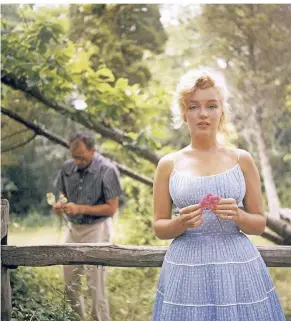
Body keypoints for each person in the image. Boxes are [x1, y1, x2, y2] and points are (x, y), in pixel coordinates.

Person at [151, 68, 286, 321]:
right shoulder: (168, 165)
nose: (203, 114)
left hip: (238, 267)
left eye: (211, 106)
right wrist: (179, 223)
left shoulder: (242, 160)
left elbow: (258, 224)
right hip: (185, 268)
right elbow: (159, 227)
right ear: (183, 112)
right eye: (193, 107)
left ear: (222, 110)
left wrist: (238, 215)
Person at [52, 131, 122, 321]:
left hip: (97, 228)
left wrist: (80, 208)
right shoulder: (67, 167)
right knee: (70, 282)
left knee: (95, 285)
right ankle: (76, 318)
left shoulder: (107, 170)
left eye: (81, 157)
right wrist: (60, 205)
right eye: (73, 157)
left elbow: (112, 208)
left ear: (93, 150)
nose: (76, 161)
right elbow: (62, 195)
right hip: (73, 229)